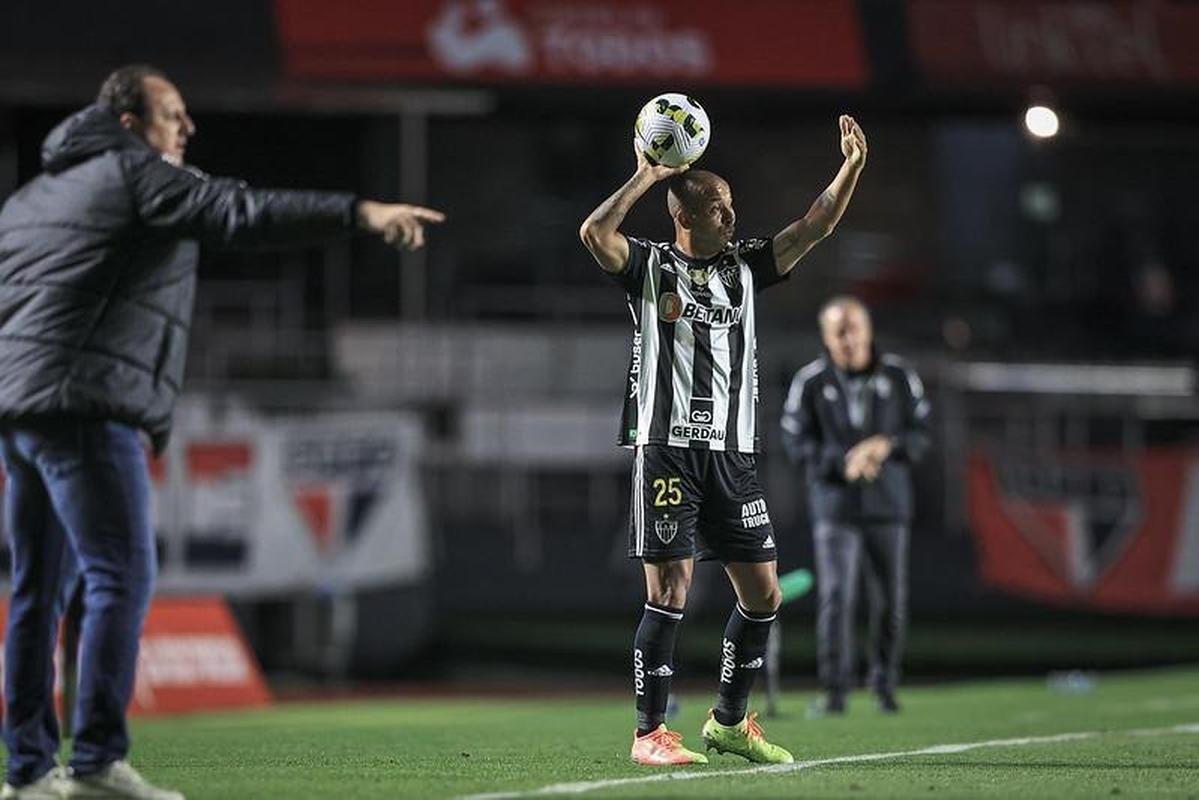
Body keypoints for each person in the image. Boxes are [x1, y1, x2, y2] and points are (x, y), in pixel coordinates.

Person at [0, 64, 444, 800]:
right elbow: (236, 211)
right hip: (85, 404)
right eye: (172, 113)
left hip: (21, 410)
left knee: (36, 591)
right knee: (120, 576)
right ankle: (94, 763)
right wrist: (357, 212)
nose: (188, 127)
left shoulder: (32, 197)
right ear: (127, 123)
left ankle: (24, 770)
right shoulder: (134, 173)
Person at [579, 115, 867, 765]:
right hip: (667, 446)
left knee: (761, 593)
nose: (730, 215)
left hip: (732, 453)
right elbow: (594, 234)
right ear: (686, 215)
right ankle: (648, 733)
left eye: (731, 204)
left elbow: (814, 226)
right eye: (717, 206)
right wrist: (645, 176)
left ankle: (729, 723)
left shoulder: (746, 265)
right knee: (670, 590)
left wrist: (849, 167)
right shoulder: (648, 267)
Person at [780, 296, 930, 716]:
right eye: (838, 331)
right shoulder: (810, 381)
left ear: (868, 330)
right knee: (835, 597)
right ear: (826, 338)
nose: (848, 339)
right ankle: (835, 691)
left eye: (854, 328)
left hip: (889, 506)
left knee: (890, 601)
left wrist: (887, 446)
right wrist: (841, 464)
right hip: (835, 506)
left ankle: (884, 685)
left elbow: (921, 435)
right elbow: (794, 441)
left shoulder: (899, 376)